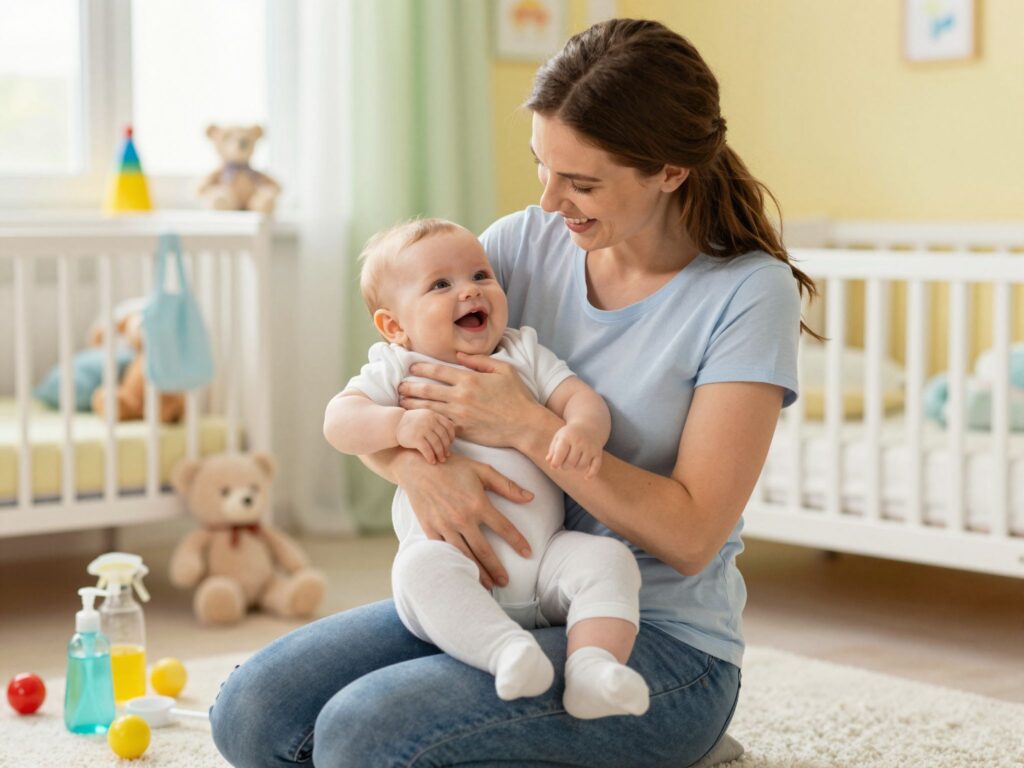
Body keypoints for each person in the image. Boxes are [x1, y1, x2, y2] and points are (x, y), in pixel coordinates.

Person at [210, 17, 817, 768]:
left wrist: (529, 428)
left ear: (669, 171)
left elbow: (693, 537)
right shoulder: (513, 249)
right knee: (253, 714)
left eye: (582, 183)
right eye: (543, 167)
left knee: (364, 734)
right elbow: (391, 401)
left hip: (656, 637)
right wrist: (419, 469)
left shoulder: (747, 293)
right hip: (493, 594)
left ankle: (654, 737)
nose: (552, 202)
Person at [323, 217, 649, 719]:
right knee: (419, 569)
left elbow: (580, 399)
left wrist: (583, 430)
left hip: (546, 560)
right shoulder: (398, 366)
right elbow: (339, 422)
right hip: (456, 568)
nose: (470, 291)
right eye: (440, 285)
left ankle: (592, 670)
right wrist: (398, 426)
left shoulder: (522, 351)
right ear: (394, 326)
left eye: (480, 275)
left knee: (609, 560)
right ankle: (505, 652)